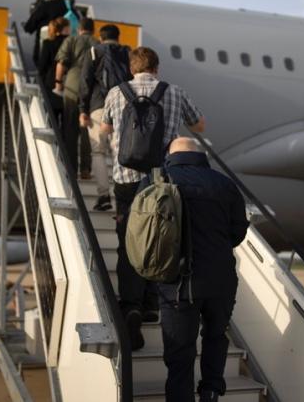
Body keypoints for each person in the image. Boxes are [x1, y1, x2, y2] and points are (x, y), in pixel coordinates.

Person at [100, 47, 206, 350]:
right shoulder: (173, 92)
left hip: (125, 180)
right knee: (161, 239)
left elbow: (105, 130)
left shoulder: (116, 92)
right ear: (156, 68)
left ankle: (130, 305)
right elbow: (199, 125)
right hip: (161, 181)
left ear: (132, 68)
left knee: (129, 242)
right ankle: (152, 304)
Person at [146, 137, 248, 402]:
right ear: (201, 154)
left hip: (177, 282)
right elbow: (238, 232)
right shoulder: (225, 184)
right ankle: (211, 391)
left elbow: (142, 232)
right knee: (216, 335)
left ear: (170, 154)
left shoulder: (158, 180)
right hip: (221, 280)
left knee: (180, 353)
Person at [79, 24, 132, 211]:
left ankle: (104, 196)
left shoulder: (94, 51)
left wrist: (82, 109)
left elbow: (85, 80)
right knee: (119, 151)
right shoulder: (127, 52)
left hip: (98, 107)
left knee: (98, 152)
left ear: (100, 38)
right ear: (118, 37)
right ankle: (123, 197)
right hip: (122, 107)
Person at [55, 18, 97, 177]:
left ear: (79, 29)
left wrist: (58, 83)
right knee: (87, 129)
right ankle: (85, 169)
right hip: (91, 89)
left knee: (70, 129)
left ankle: (70, 168)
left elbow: (61, 63)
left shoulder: (71, 40)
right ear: (93, 29)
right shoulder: (97, 43)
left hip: (72, 86)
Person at [24, 0, 71, 70]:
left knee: (43, 64)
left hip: (46, 40)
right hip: (64, 43)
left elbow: (33, 21)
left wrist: (27, 28)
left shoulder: (45, 5)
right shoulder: (67, 6)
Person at [37, 17, 70, 123]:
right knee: (66, 117)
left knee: (52, 116)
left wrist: (40, 82)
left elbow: (42, 65)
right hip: (68, 82)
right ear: (65, 28)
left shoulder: (48, 43)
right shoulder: (70, 42)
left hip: (51, 82)